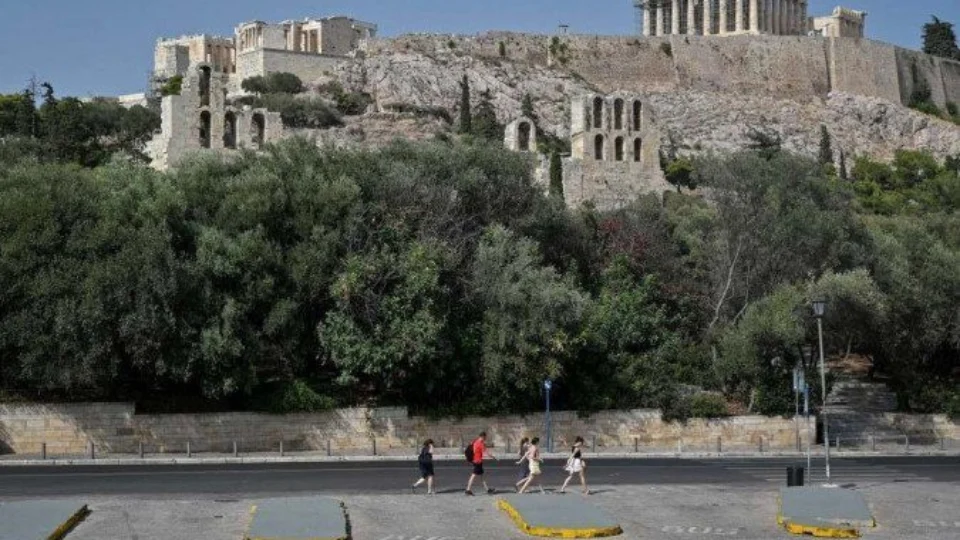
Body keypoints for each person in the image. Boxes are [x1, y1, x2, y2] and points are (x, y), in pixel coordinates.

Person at [465, 431, 497, 495]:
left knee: (482, 476)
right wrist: (494, 457)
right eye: (485, 437)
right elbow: (486, 453)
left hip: (475, 460)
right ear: (483, 436)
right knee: (474, 475)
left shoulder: (475, 442)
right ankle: (468, 490)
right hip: (478, 461)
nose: (485, 439)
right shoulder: (480, 443)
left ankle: (487, 489)